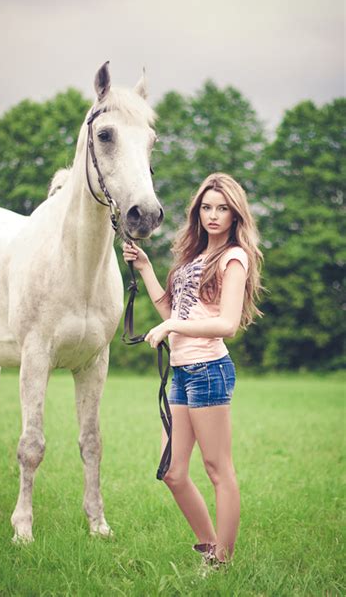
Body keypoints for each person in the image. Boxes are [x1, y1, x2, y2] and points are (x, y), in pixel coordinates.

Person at [123, 172, 263, 569]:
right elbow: (172, 312)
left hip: (209, 369)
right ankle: (210, 547)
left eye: (222, 208)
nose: (213, 215)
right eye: (206, 207)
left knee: (218, 470)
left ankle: (223, 561)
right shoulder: (194, 258)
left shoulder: (234, 257)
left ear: (235, 215)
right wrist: (148, 268)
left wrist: (171, 328)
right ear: (197, 211)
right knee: (172, 471)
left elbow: (227, 325)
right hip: (183, 373)